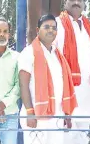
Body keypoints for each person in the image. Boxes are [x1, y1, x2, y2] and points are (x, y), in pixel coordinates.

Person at [18, 14, 77, 144]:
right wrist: (30, 112)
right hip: (36, 116)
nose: (51, 30)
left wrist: (67, 113)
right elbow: (23, 84)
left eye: (54, 28)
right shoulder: (28, 53)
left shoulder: (58, 55)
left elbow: (63, 84)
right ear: (38, 30)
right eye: (46, 27)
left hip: (57, 114)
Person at [55, 0, 90, 144]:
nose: (76, 3)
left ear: (84, 4)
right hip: (66, 88)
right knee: (65, 133)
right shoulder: (56, 24)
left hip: (87, 88)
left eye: (79, 0)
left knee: (83, 133)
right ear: (65, 2)